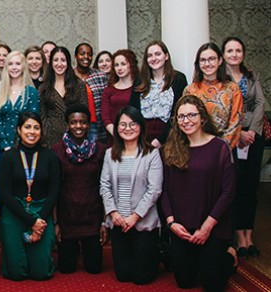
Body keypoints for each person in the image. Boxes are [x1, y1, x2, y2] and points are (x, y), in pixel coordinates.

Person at [161, 95, 236, 291]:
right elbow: (164, 191)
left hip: (212, 228)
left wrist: (207, 227)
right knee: (184, 282)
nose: (186, 121)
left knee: (213, 285)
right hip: (182, 228)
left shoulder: (220, 147)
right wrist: (171, 223)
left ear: (202, 118)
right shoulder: (171, 148)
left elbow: (228, 191)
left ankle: (229, 255)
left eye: (191, 115)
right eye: (181, 117)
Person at [100, 106, 163, 284]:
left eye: (133, 124)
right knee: (123, 275)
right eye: (123, 125)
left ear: (141, 126)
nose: (127, 128)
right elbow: (104, 185)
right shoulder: (109, 154)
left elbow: (155, 189)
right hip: (119, 222)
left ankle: (156, 254)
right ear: (117, 128)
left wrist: (135, 217)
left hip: (142, 222)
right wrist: (113, 213)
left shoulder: (152, 154)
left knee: (141, 278)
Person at [0, 112, 60, 280]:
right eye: (27, 127)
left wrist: (40, 221)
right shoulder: (8, 157)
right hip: (15, 212)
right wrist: (31, 221)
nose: (32, 132)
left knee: (40, 273)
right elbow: (5, 194)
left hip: (42, 211)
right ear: (18, 130)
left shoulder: (50, 157)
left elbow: (54, 192)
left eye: (36, 127)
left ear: (41, 131)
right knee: (16, 274)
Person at [223, 36, 266, 259]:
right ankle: (239, 238)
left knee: (251, 187)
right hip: (233, 138)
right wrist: (239, 132)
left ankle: (249, 236)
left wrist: (252, 131)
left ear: (243, 53)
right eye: (230, 51)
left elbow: (260, 103)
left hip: (253, 137)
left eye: (238, 50)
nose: (234, 54)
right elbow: (225, 109)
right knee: (237, 187)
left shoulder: (251, 75)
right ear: (223, 54)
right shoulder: (221, 78)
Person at [52, 104, 106, 274]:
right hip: (67, 217)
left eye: (82, 122)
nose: (78, 126)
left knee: (94, 269)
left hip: (92, 217)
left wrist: (104, 222)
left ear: (88, 124)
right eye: (73, 122)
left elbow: (104, 187)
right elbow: (54, 189)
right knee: (67, 269)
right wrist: (56, 223)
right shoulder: (57, 150)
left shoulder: (100, 149)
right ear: (67, 124)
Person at [183, 42, 243, 149]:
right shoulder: (190, 90)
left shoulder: (232, 89)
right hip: (197, 148)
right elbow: (185, 122)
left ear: (219, 61)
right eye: (203, 60)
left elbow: (236, 123)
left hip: (225, 148)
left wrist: (220, 148)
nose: (207, 64)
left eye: (212, 59)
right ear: (198, 63)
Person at [130, 40, 188, 148]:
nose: (154, 58)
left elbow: (178, 112)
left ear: (166, 56)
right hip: (142, 137)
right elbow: (133, 111)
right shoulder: (139, 81)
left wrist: (160, 141)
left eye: (158, 54)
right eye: (150, 55)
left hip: (170, 136)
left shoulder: (178, 79)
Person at [39, 46, 96, 147]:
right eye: (56, 60)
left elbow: (84, 114)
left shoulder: (79, 85)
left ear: (68, 62)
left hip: (75, 137)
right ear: (51, 63)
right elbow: (42, 117)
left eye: (63, 60)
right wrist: (45, 138)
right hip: (50, 140)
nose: (59, 64)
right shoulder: (43, 88)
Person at [0, 51, 40, 151]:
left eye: (18, 64)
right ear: (6, 67)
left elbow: (34, 122)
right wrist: (5, 145)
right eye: (10, 64)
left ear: (23, 66)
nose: (14, 67)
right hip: (2, 148)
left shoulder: (32, 93)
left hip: (26, 147)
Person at [73, 43, 109, 143]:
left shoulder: (100, 76)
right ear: (75, 56)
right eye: (82, 53)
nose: (86, 57)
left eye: (89, 54)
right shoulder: (69, 77)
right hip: (77, 126)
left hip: (99, 126)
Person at [101, 49, 139, 141]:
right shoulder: (108, 90)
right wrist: (117, 134)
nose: (119, 68)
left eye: (123, 64)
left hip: (135, 136)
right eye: (116, 65)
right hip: (114, 136)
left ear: (131, 65)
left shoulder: (139, 88)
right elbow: (105, 117)